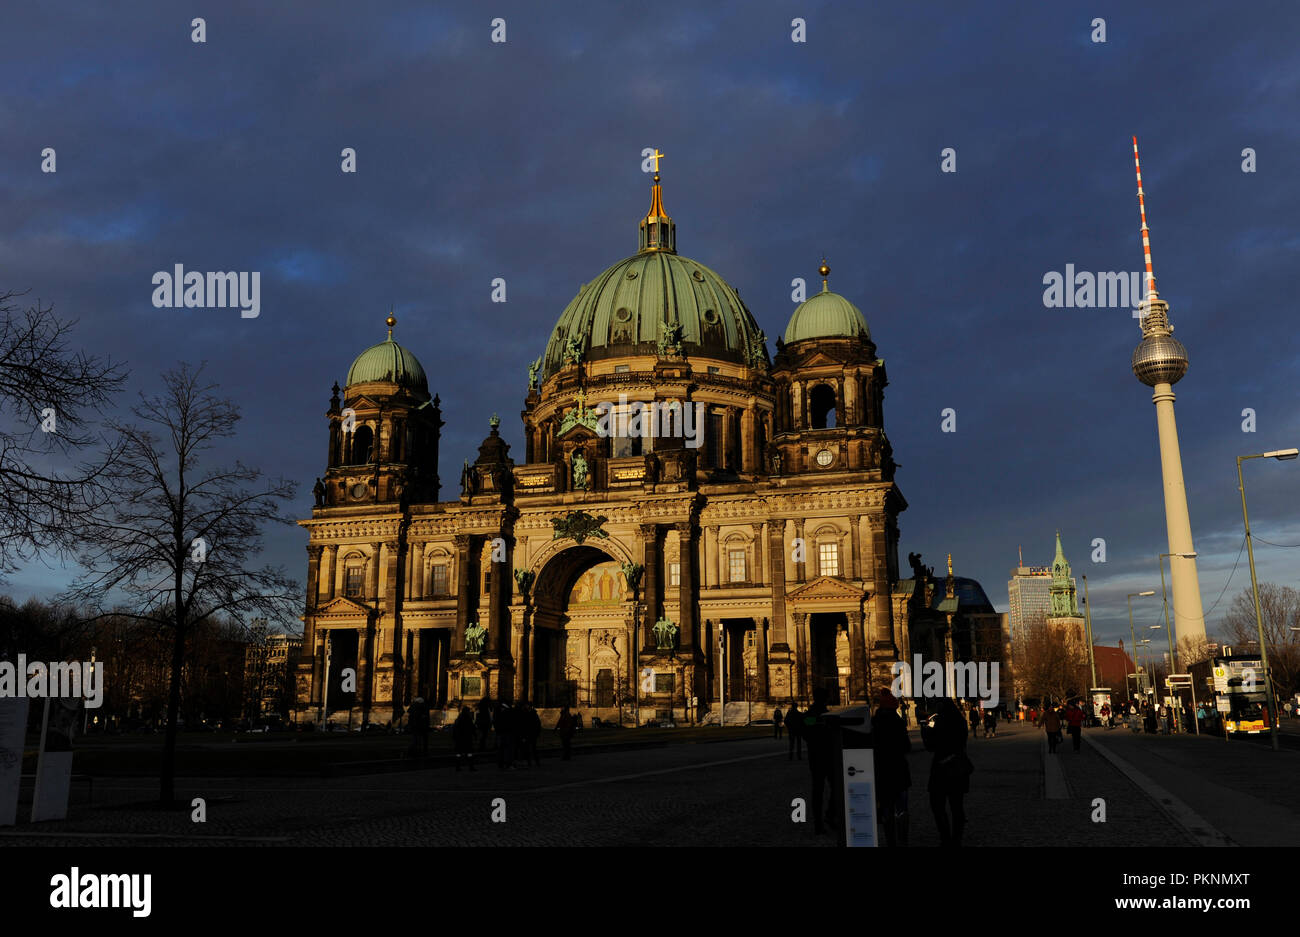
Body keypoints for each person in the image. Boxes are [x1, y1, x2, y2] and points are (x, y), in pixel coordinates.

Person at [922, 698, 970, 846]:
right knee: (957, 806)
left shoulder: (938, 722)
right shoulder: (961, 721)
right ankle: (957, 839)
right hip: (958, 768)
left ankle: (945, 838)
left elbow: (930, 746)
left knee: (937, 806)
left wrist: (925, 727)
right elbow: (963, 743)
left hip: (941, 769)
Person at [872, 689, 912, 847]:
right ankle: (903, 839)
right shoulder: (898, 722)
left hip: (882, 772)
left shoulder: (875, 722)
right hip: (899, 771)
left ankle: (890, 841)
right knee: (902, 809)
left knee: (886, 807)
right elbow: (906, 747)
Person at [803, 687, 833, 835]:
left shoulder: (811, 714)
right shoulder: (826, 715)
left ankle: (819, 822)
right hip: (827, 756)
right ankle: (829, 816)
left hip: (815, 756)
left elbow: (806, 730)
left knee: (818, 791)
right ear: (825, 698)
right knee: (835, 787)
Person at [453, 705, 476, 771]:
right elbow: (471, 728)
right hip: (466, 738)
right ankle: (471, 766)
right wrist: (474, 735)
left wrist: (454, 737)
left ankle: (458, 767)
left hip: (459, 738)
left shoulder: (459, 718)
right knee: (469, 753)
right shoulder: (468, 718)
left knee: (459, 753)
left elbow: (455, 728)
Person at [519, 701, 542, 767]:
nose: (526, 706)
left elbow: (537, 724)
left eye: (527, 705)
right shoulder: (525, 713)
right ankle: (530, 762)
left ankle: (536, 762)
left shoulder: (533, 714)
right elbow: (523, 726)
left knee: (533, 749)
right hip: (527, 734)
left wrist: (537, 733)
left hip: (532, 734)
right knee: (528, 749)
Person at [495, 701, 517, 770]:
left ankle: (501, 764)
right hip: (507, 734)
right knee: (508, 750)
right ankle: (508, 764)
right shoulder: (509, 714)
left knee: (501, 750)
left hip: (501, 733)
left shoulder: (499, 714)